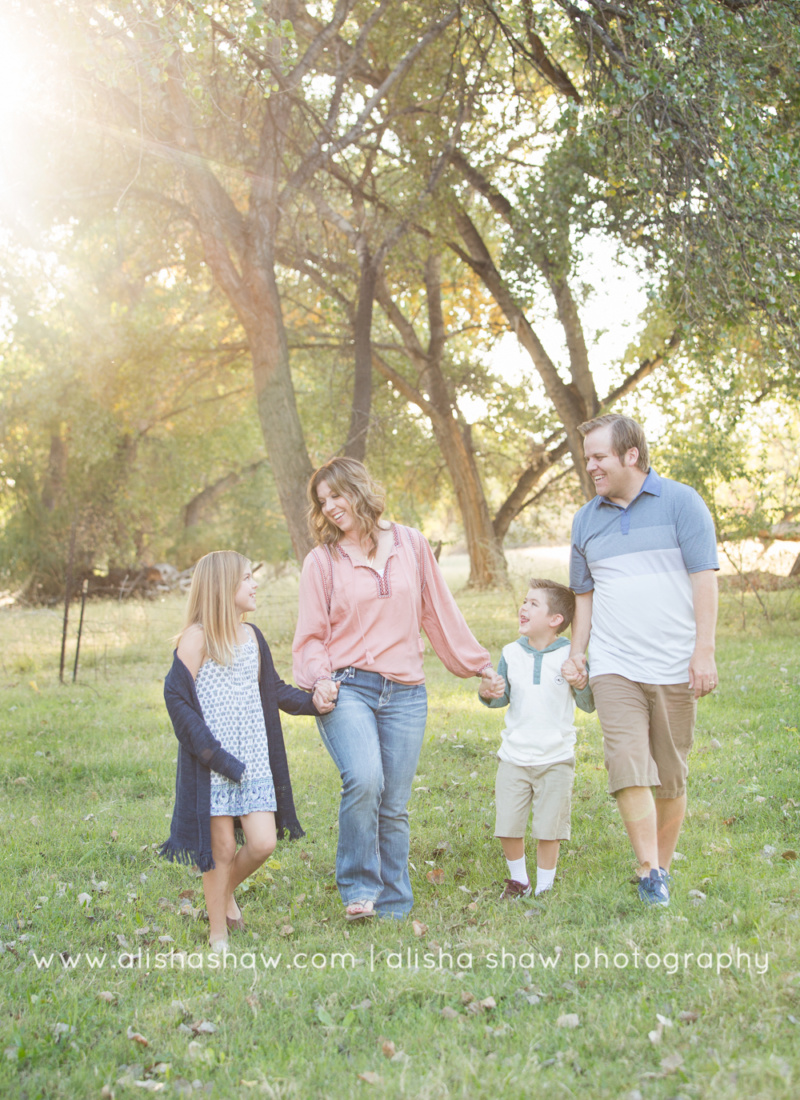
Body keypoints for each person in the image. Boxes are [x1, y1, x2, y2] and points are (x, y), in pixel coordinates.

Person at [292, 457, 503, 921]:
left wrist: (478, 665)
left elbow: (438, 612)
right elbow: (310, 635)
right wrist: (319, 680)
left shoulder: (410, 543)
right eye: (322, 501)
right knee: (365, 780)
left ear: (360, 489)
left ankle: (393, 904)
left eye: (336, 495)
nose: (329, 507)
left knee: (395, 803)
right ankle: (358, 888)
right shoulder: (322, 562)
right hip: (348, 688)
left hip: (406, 693)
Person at [566, 414, 719, 907]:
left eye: (598, 457)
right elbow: (583, 596)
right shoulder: (586, 520)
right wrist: (578, 652)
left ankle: (664, 866)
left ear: (631, 455)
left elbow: (704, 580)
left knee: (670, 774)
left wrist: (704, 652)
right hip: (615, 663)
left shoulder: (682, 503)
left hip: (674, 662)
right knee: (627, 764)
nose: (590, 466)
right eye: (587, 457)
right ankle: (649, 870)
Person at [159, 551, 326, 952]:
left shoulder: (252, 637)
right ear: (223, 586)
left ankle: (220, 893)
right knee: (221, 849)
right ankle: (218, 933)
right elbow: (175, 698)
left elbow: (274, 689)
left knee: (263, 843)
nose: (255, 584)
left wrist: (314, 702)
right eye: (247, 577)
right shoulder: (197, 638)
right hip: (213, 764)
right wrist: (212, 754)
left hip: (253, 760)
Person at [479, 579, 595, 900]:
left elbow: (587, 704)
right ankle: (520, 881)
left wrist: (581, 681)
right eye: (524, 601)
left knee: (549, 828)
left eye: (533, 604)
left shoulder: (570, 656)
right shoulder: (510, 653)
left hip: (555, 758)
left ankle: (544, 886)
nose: (523, 607)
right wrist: (488, 692)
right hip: (514, 756)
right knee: (508, 825)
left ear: (555, 619)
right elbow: (500, 697)